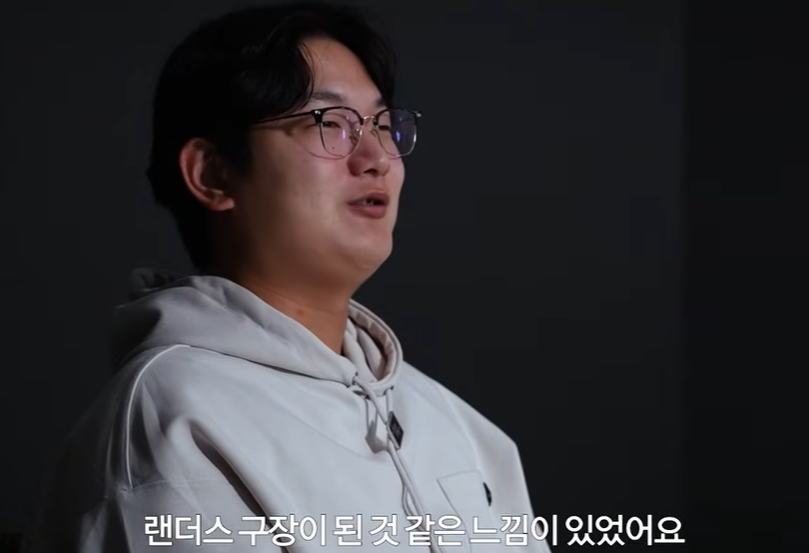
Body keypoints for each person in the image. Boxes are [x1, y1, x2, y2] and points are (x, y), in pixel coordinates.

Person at [23, 2, 550, 551]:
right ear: (213, 174)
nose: (377, 157)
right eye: (331, 123)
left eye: (382, 124)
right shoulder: (174, 415)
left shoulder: (452, 423)